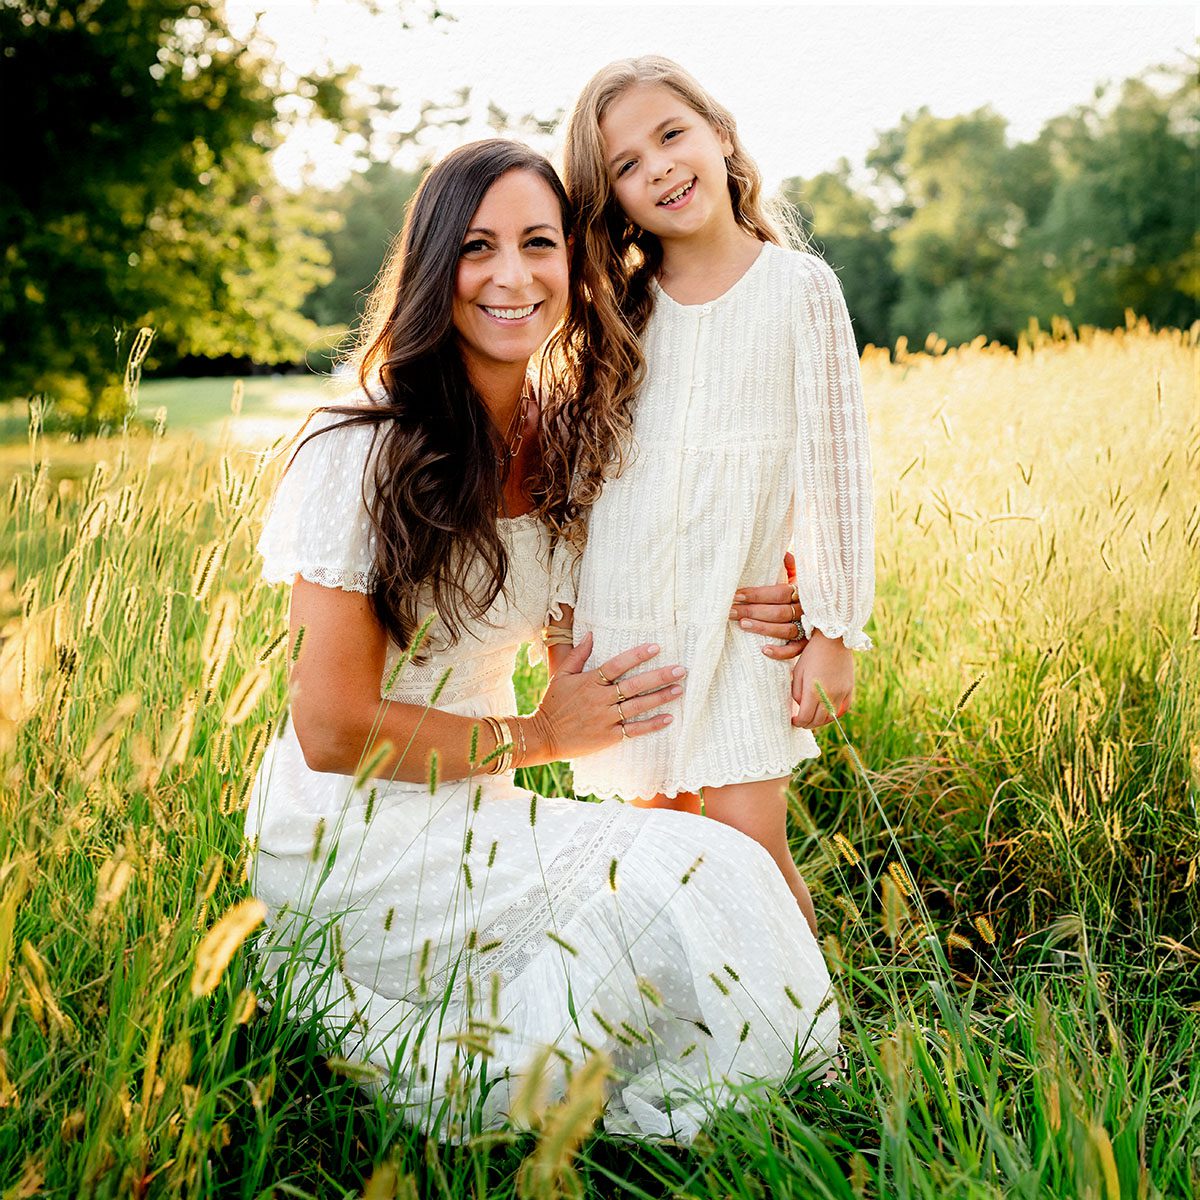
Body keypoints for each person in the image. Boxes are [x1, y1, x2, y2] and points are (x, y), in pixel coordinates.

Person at [243, 139, 839, 1143]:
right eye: (478, 248)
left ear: (576, 265)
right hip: (354, 824)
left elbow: (642, 598)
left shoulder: (563, 441)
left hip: (479, 804)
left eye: (538, 243)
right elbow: (332, 728)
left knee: (713, 870)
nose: (512, 276)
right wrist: (538, 738)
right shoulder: (357, 449)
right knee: (688, 882)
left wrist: (773, 601)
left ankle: (757, 1085)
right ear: (437, 269)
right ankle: (441, 1051)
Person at [543, 57, 875, 935]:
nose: (657, 166)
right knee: (650, 856)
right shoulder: (618, 311)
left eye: (670, 135)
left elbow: (838, 470)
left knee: (749, 849)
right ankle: (684, 1043)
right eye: (624, 165)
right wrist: (559, 623)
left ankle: (804, 1051)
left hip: (738, 625)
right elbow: (583, 483)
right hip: (627, 624)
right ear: (612, 198)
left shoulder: (800, 290)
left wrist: (833, 628)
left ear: (719, 133)